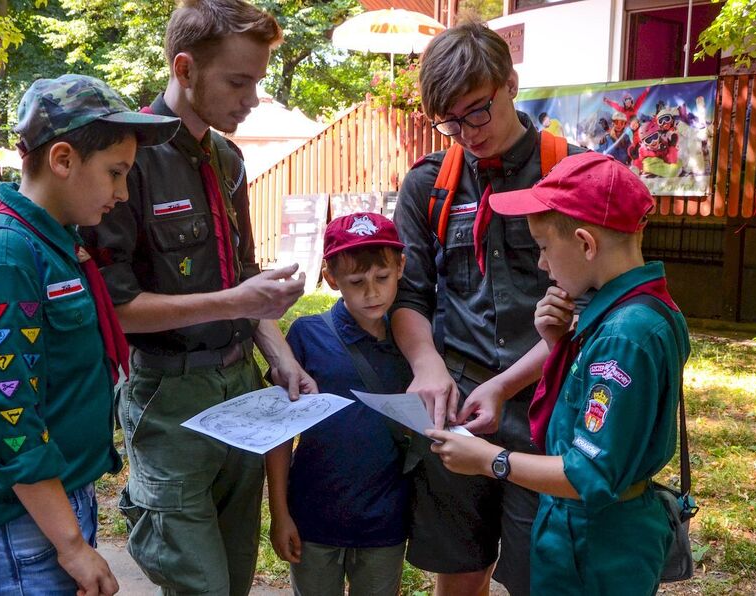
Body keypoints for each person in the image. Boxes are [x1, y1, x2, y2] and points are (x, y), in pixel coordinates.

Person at [79, 2, 316, 595]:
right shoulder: (126, 162)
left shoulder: (228, 158)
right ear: (184, 69)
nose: (252, 97)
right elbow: (117, 309)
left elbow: (244, 282)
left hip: (242, 388)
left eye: (258, 81)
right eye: (239, 81)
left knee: (234, 580)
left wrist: (282, 357)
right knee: (199, 586)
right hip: (168, 398)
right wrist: (238, 300)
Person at [0, 74, 180, 595]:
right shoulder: (3, 258)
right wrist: (69, 544)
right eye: (115, 173)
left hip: (51, 502)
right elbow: (5, 418)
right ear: (63, 160)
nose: (121, 193)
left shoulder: (53, 243)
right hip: (13, 524)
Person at [428, 151, 690, 595]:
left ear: (587, 244)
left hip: (595, 544)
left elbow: (589, 472)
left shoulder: (623, 337)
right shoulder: (638, 310)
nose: (543, 265)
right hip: (593, 532)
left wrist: (490, 461)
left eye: (545, 248)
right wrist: (557, 346)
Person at [390, 19, 583, 596]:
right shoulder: (429, 184)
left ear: (512, 83)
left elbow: (591, 307)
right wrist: (427, 368)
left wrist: (505, 386)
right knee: (460, 565)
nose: (466, 132)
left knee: (537, 571)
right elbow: (410, 292)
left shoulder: (574, 174)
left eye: (477, 111)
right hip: (461, 401)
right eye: (448, 121)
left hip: (552, 405)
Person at [266, 212, 413, 596]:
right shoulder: (306, 335)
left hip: (386, 520)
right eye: (356, 281)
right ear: (331, 278)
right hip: (314, 518)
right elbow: (280, 434)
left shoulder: (413, 340)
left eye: (382, 278)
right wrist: (280, 514)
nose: (372, 293)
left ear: (401, 267)